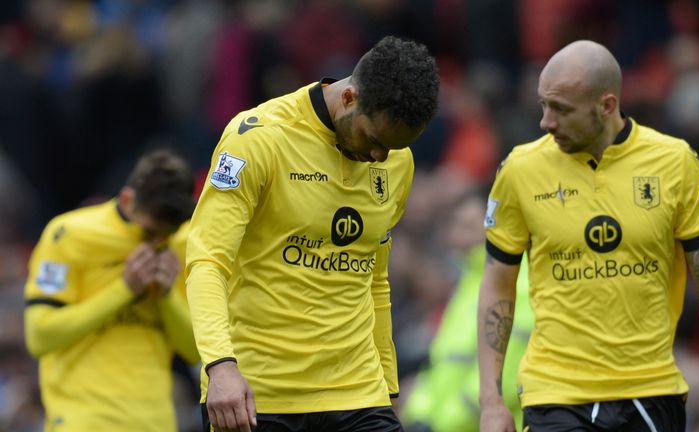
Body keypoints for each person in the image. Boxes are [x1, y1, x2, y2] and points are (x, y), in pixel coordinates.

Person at [477, 40, 699, 432]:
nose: (546, 122)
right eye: (543, 105)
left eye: (561, 109)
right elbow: (497, 284)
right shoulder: (520, 170)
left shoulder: (676, 164)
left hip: (650, 391)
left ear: (606, 106)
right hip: (554, 394)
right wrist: (491, 401)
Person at [185, 35, 439, 432]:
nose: (379, 158)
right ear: (350, 97)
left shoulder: (395, 162)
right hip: (257, 393)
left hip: (357, 391)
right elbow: (206, 261)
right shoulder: (257, 138)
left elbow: (375, 277)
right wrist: (220, 366)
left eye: (393, 148)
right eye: (373, 141)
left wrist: (388, 381)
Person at [24, 149, 200, 431]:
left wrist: (167, 295)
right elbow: (40, 336)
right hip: (83, 420)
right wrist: (124, 289)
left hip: (155, 422)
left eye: (167, 233)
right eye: (149, 231)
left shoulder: (181, 243)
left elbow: (193, 351)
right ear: (128, 200)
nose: (157, 242)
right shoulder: (69, 234)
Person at [403, 191, 535, 432]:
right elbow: (440, 361)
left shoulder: (518, 279)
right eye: (455, 226)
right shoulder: (468, 282)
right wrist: (419, 414)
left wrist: (443, 424)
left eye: (468, 226)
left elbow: (507, 366)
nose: (457, 237)